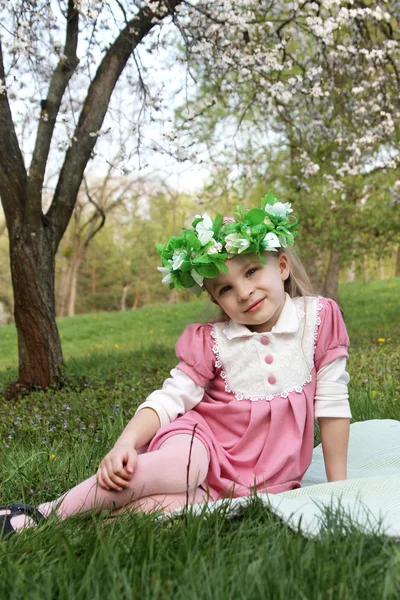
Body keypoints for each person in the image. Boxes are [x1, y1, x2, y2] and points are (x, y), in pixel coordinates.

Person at [0, 191, 351, 540]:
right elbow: (171, 398)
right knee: (182, 469)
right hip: (200, 439)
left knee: (180, 508)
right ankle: (40, 515)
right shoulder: (214, 340)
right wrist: (125, 442)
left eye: (252, 271)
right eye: (226, 288)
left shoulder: (317, 319)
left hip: (263, 474)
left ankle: (79, 532)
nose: (243, 292)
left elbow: (332, 402)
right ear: (216, 299)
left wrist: (339, 488)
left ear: (283, 266)